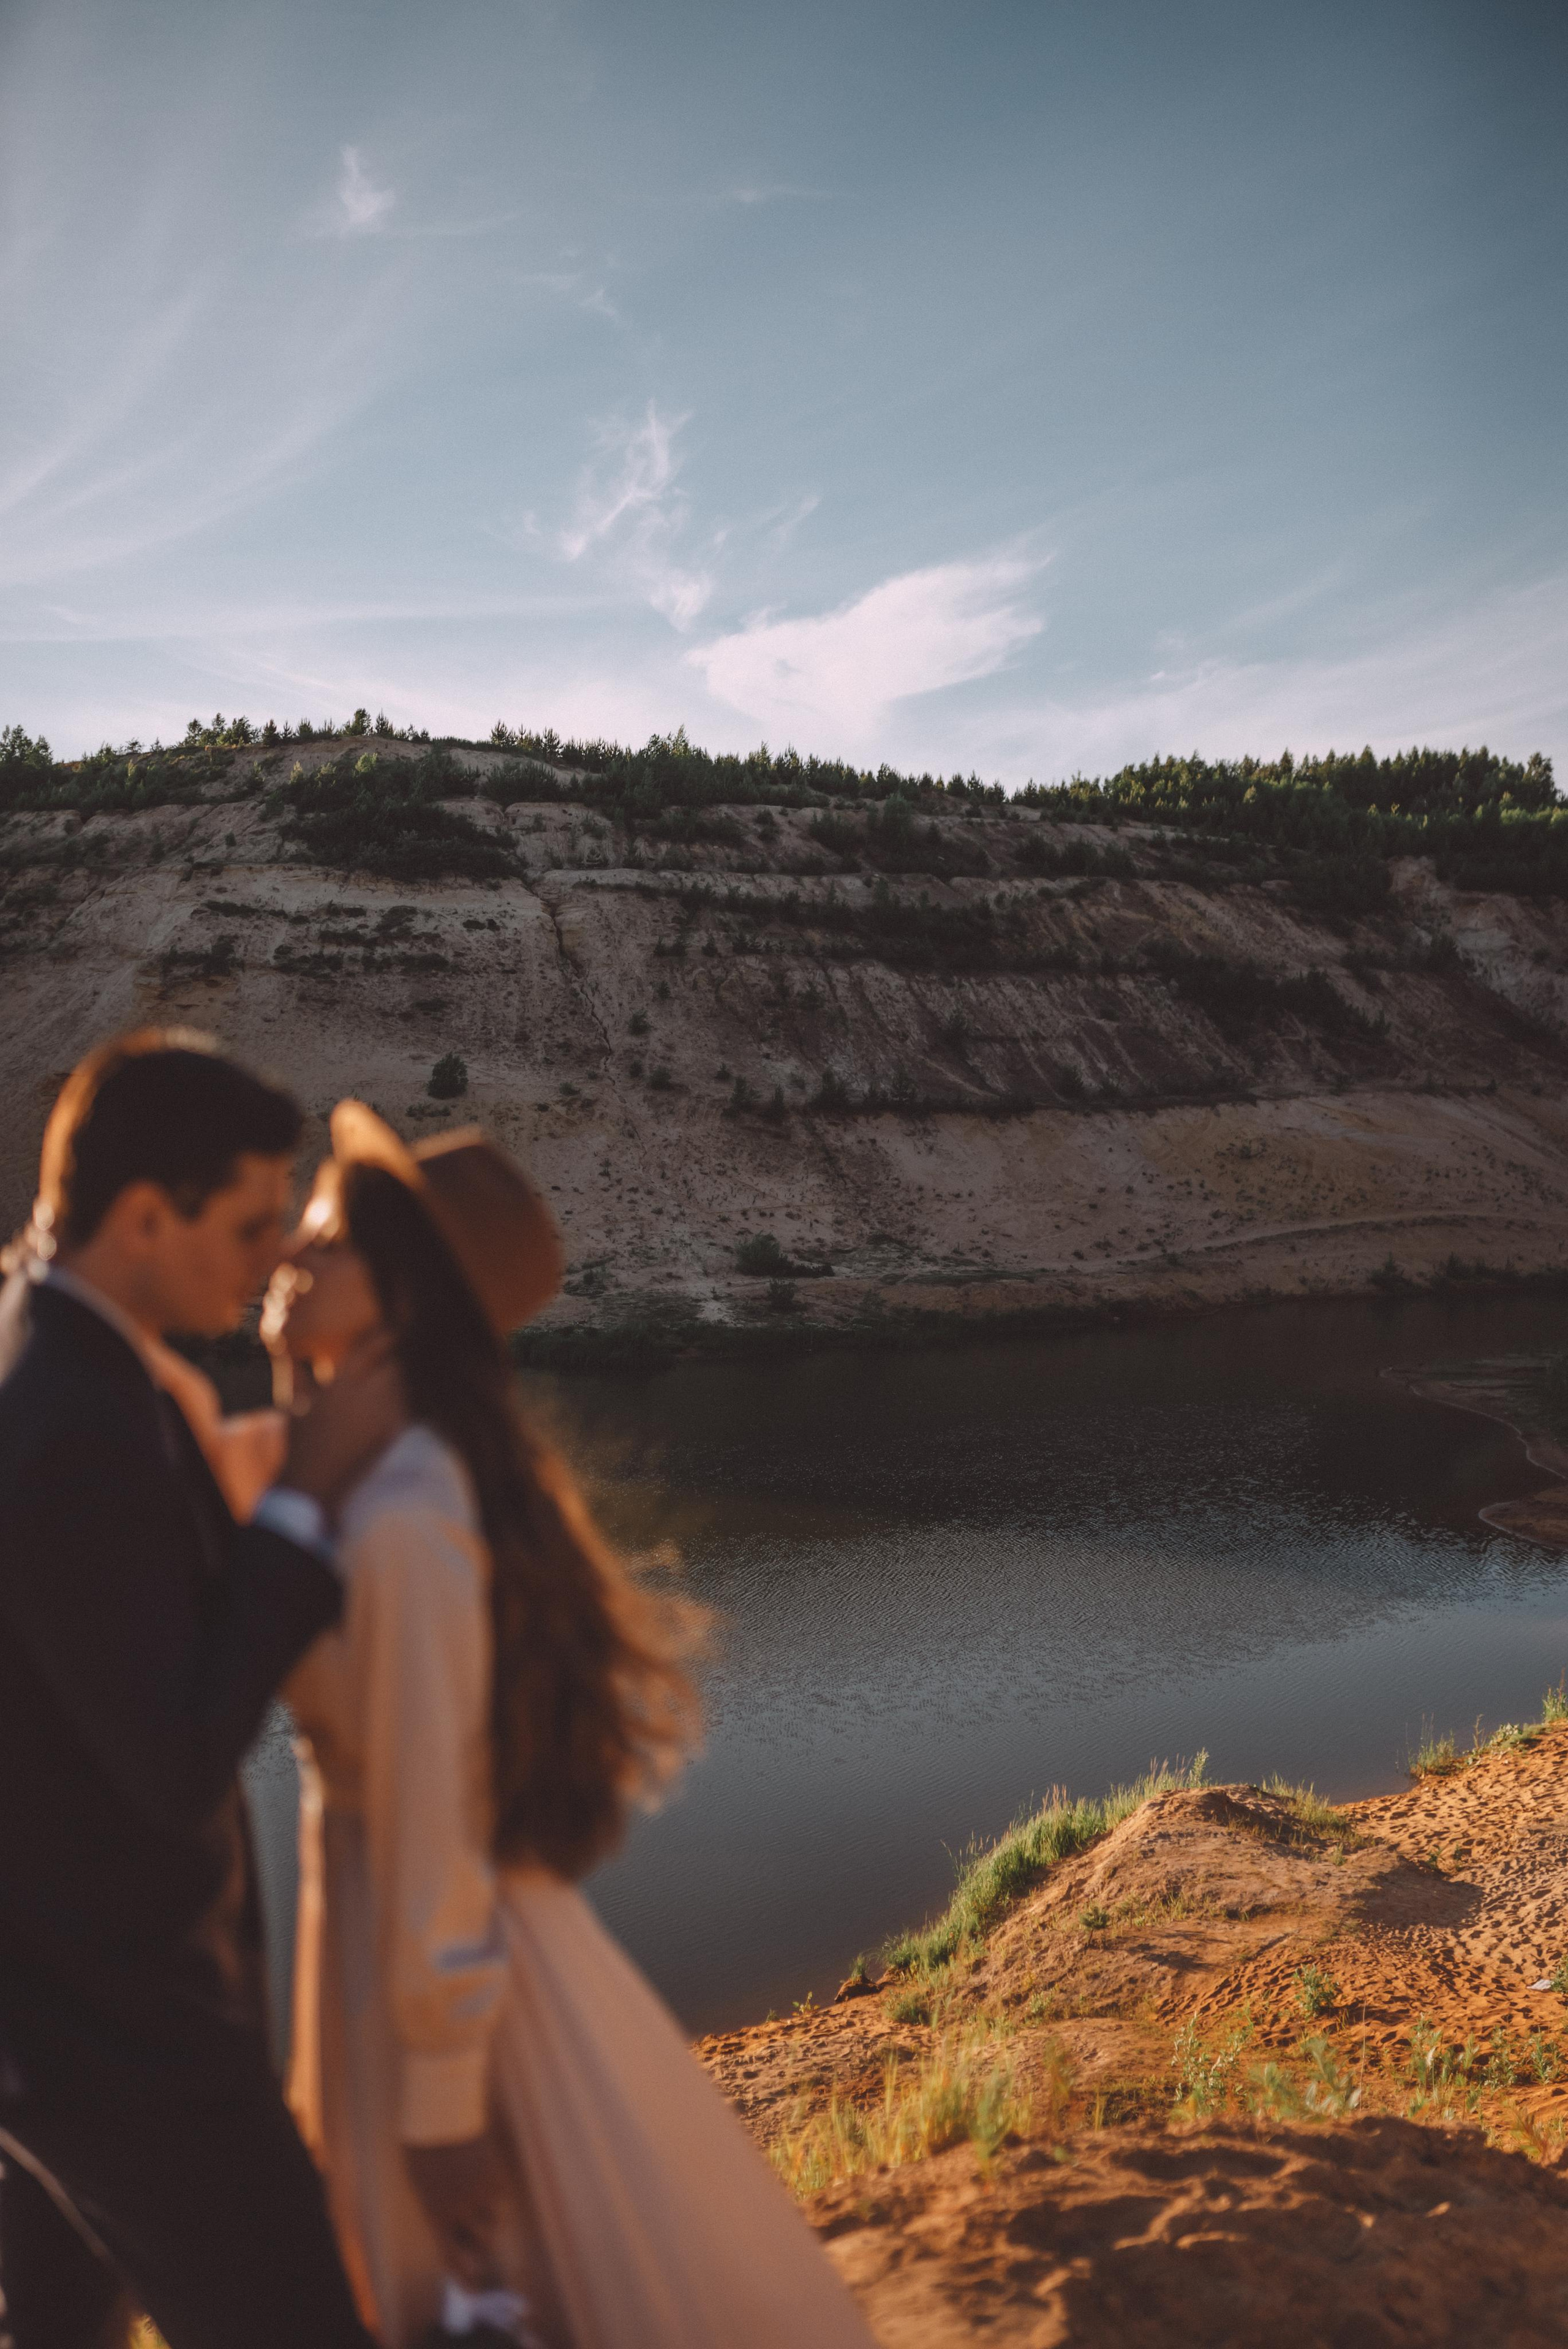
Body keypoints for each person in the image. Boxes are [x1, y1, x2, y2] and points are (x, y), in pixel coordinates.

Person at [269, 1103, 879, 2349]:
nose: (288, 1254)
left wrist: (441, 2110)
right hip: (395, 1948)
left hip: (440, 1983)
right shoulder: (385, 1473)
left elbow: (437, 1820)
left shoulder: (401, 1519)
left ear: (402, 1299)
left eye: (324, 1242)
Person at [0, 1031, 402, 2349]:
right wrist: (305, 1504)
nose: (275, 1254)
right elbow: (172, 1758)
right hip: (122, 2036)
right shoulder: (67, 1420)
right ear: (141, 1216)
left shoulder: (57, 1351)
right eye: (246, 1224)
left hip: (46, 2016)